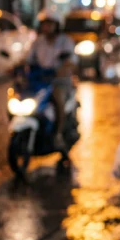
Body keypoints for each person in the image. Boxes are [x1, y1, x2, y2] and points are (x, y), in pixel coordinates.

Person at [25, 10, 76, 149]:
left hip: (59, 82)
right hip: (40, 80)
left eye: (50, 24)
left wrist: (63, 69)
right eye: (44, 24)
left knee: (57, 99)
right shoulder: (38, 41)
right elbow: (28, 59)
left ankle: (58, 134)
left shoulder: (65, 41)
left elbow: (71, 61)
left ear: (57, 25)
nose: (46, 27)